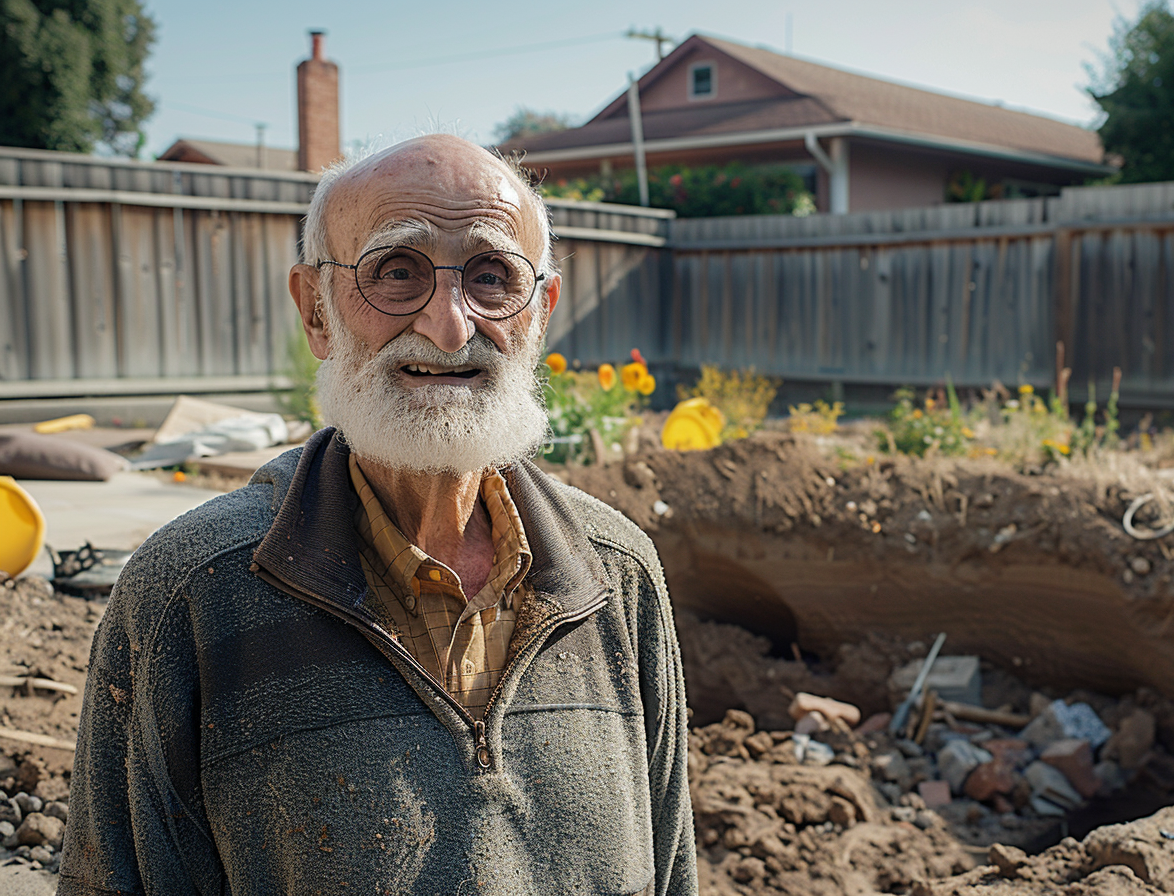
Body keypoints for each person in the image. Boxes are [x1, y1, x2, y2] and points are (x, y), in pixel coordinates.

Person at [58, 135, 698, 896]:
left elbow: (671, 873)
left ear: (539, 313)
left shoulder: (615, 572)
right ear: (316, 310)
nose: (450, 324)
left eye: (492, 277)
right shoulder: (194, 592)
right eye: (398, 272)